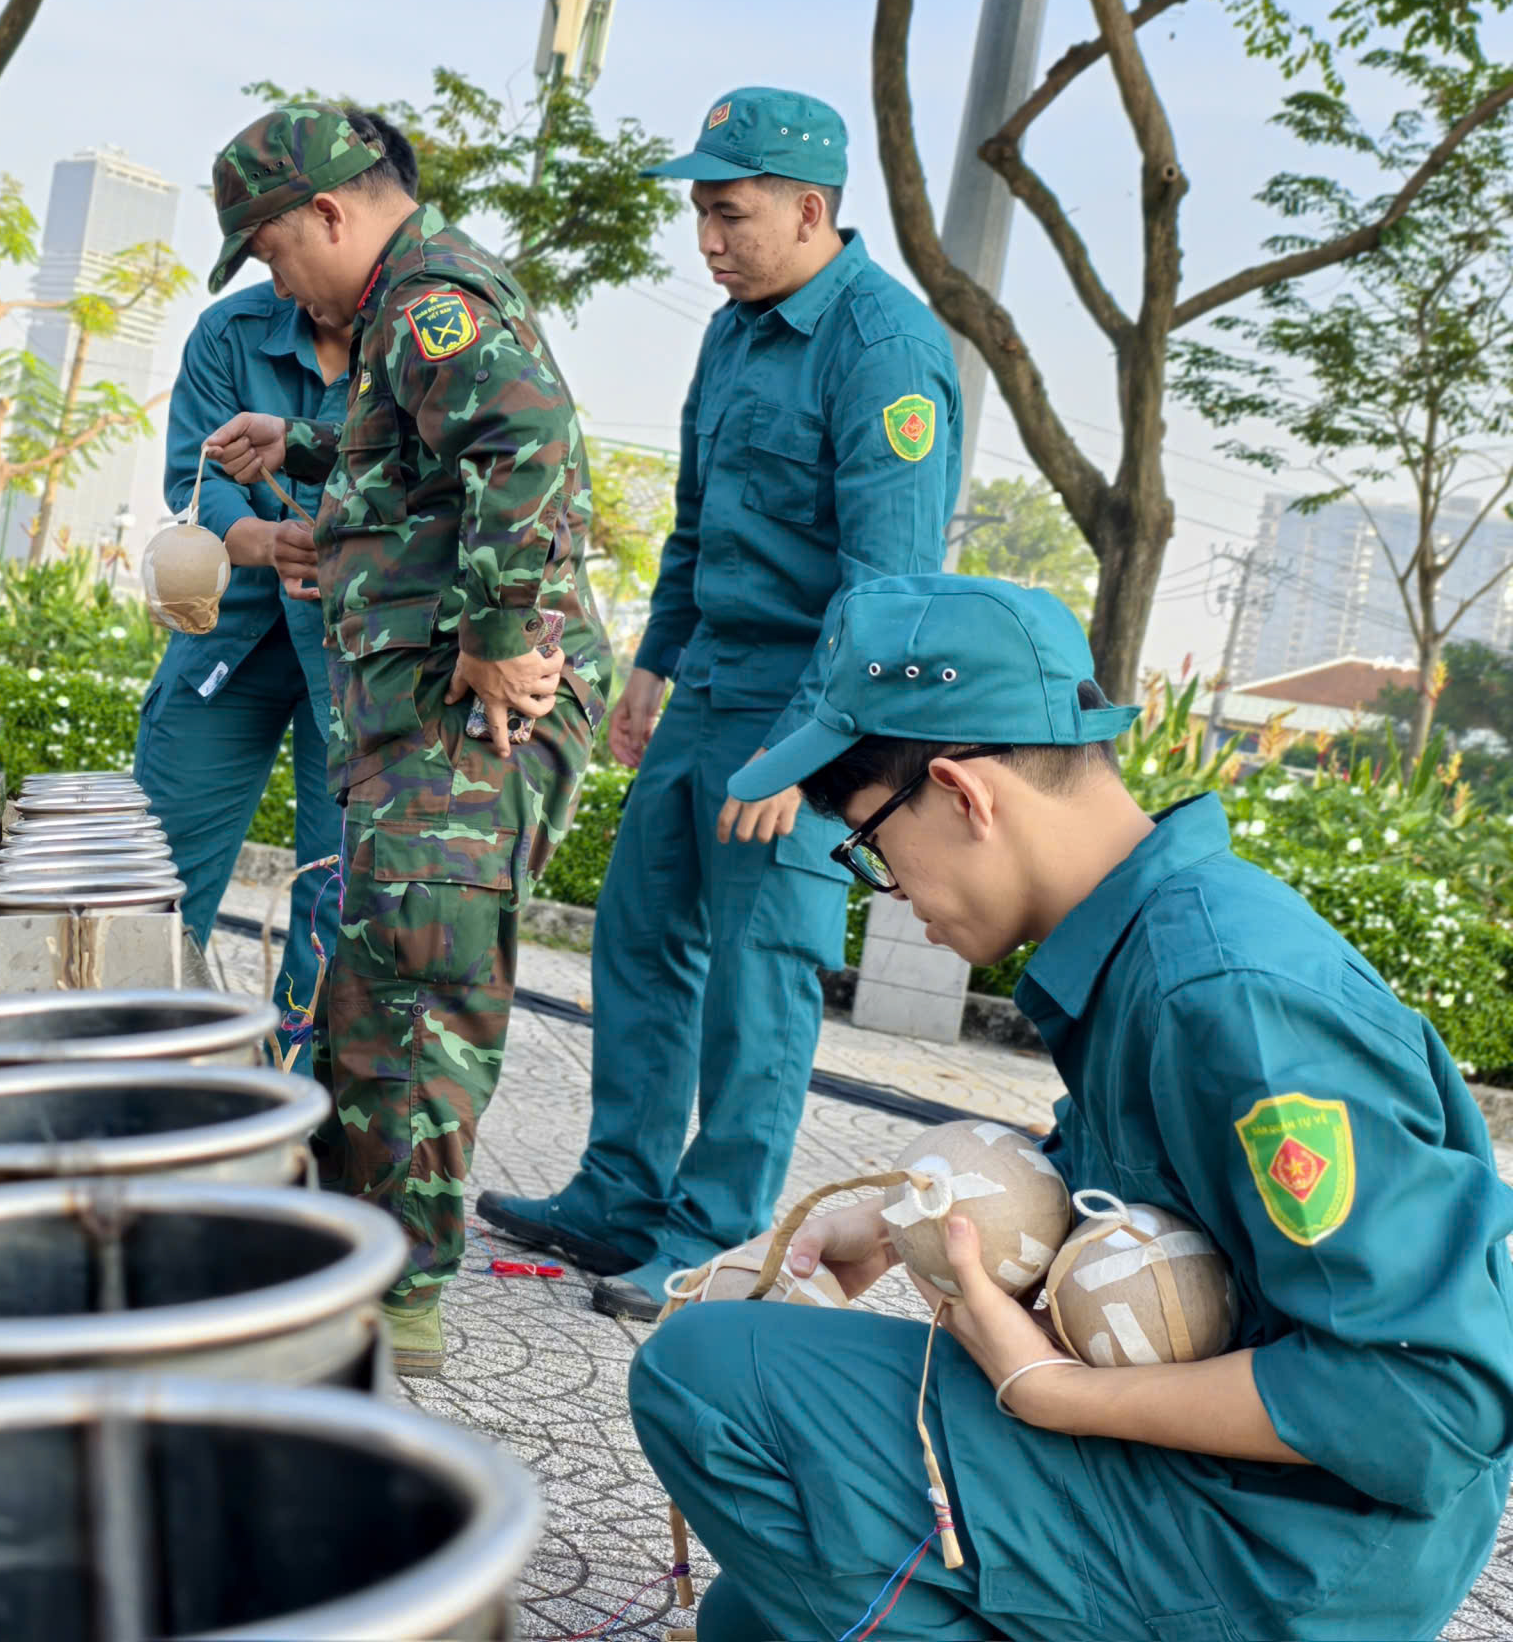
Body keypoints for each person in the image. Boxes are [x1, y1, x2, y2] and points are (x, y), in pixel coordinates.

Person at [632, 572, 1513, 1642]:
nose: (890, 889)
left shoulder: (1227, 1000)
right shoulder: (1149, 947)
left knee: (708, 1374)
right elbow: (1142, 1189)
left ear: (964, 795)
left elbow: (1427, 1404)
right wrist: (896, 1221)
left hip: (1286, 1555)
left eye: (868, 843)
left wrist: (1058, 1395)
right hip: (1247, 1502)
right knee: (752, 1620)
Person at [477, 87, 962, 1320]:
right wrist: (652, 665)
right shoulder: (733, 331)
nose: (707, 239)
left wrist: (804, 759)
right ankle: (618, 1197)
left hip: (820, 704)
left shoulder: (885, 350)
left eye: (729, 214)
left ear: (810, 210)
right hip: (712, 687)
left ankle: (713, 1237)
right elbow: (696, 527)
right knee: (641, 938)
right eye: (699, 212)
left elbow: (886, 593)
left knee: (764, 975)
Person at [201, 99, 611, 1377]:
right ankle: (346, 1251)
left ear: (330, 212)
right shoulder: (392, 321)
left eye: (271, 253)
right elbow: (418, 453)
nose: (277, 280)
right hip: (414, 715)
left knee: (422, 987)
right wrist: (305, 444)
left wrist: (495, 626)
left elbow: (521, 438)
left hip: (471, 707)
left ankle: (400, 1300)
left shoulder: (435, 294)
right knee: (372, 981)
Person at [133, 240, 363, 1011]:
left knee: (336, 895)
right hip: (232, 642)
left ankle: (297, 1098)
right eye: (263, 254)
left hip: (360, 660)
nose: (276, 275)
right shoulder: (228, 332)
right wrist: (267, 544)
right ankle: (134, 1069)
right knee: (159, 875)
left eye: (283, 249)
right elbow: (192, 479)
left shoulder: (418, 338)